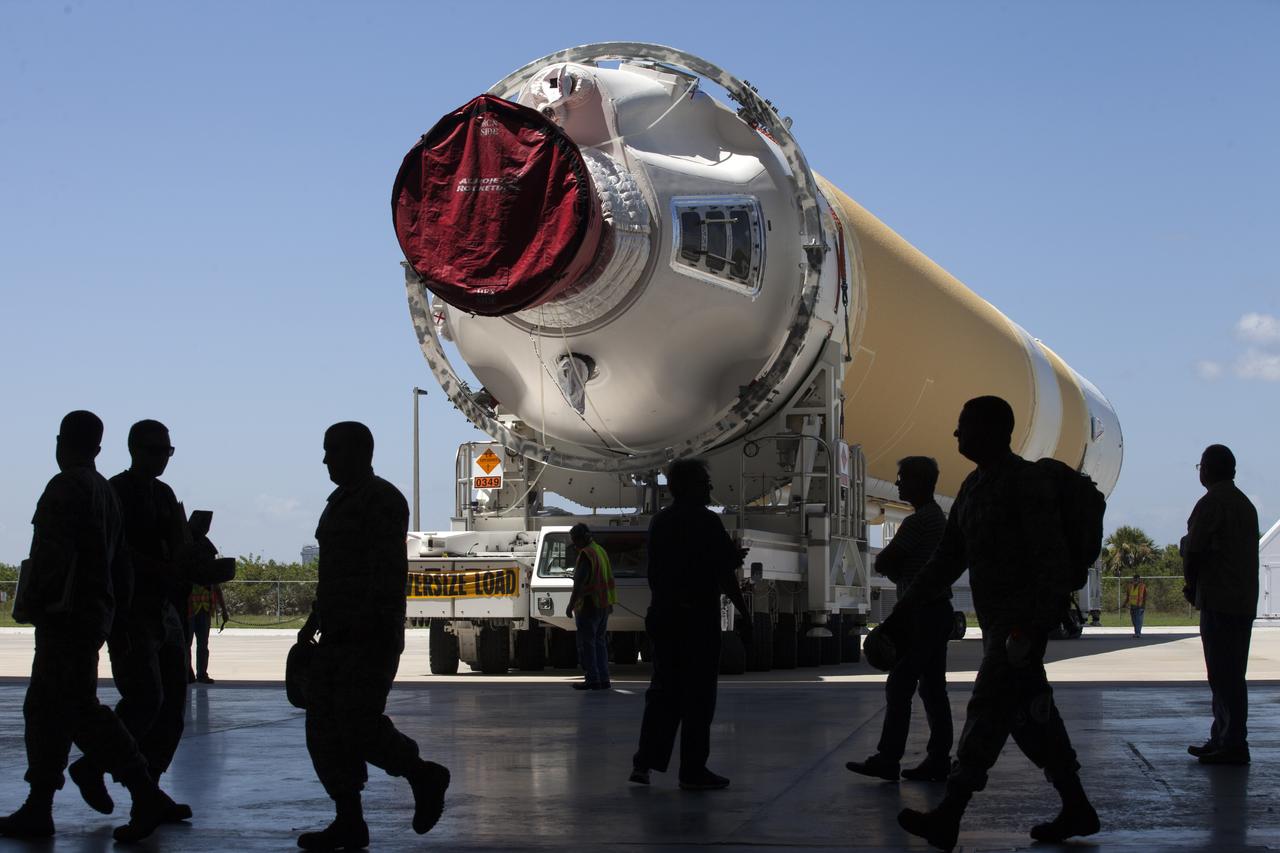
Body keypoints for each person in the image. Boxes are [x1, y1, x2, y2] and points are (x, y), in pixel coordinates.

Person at [893, 396, 1099, 850]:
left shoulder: (1026, 485)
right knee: (1032, 719)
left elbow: (1051, 562)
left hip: (1017, 632)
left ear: (992, 430)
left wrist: (1030, 628)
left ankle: (949, 814)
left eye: (964, 425)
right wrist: (903, 611)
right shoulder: (972, 488)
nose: (956, 434)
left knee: (986, 711)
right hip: (999, 629)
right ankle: (1077, 807)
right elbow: (947, 558)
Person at [0, 411, 173, 842]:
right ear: (97, 447)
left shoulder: (66, 487)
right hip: (94, 615)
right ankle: (39, 805)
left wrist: (34, 605)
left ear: (61, 442)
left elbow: (50, 560)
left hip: (64, 618)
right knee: (48, 709)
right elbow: (122, 567)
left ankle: (142, 791)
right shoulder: (105, 492)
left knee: (75, 709)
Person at [295, 422, 450, 850]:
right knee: (324, 728)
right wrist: (315, 620)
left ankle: (423, 775)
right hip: (337, 633)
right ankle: (349, 819)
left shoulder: (380, 500)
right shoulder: (338, 503)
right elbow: (334, 575)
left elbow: (383, 573)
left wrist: (367, 624)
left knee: (358, 723)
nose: (326, 460)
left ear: (359, 452)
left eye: (333, 451)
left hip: (368, 635)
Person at [69, 420, 200, 823]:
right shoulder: (116, 492)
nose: (161, 458)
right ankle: (98, 765)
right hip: (132, 611)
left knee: (173, 705)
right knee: (146, 700)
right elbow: (114, 551)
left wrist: (192, 559)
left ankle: (149, 785)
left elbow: (179, 547)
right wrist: (160, 568)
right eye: (154, 450)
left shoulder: (163, 494)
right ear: (132, 449)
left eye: (167, 451)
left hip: (164, 611)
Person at [631, 457, 752, 790]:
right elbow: (722, 573)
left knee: (663, 692)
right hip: (697, 620)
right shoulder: (706, 521)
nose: (709, 488)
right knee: (698, 697)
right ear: (687, 487)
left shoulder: (660, 522)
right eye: (704, 483)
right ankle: (692, 770)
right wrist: (744, 611)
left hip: (665, 616)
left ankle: (645, 763)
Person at [847, 456, 953, 783]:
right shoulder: (938, 520)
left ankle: (889, 758)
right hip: (937, 610)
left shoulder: (919, 522)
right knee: (933, 688)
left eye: (902, 478)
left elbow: (885, 562)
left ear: (919, 483)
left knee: (900, 684)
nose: (897, 484)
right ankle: (937, 759)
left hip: (921, 611)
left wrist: (899, 575)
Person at [1183, 443, 1259, 766]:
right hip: (1242, 601)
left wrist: (1191, 585)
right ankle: (1224, 736)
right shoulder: (1245, 505)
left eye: (1200, 465)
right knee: (1232, 673)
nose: (1199, 471)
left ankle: (1232, 743)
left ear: (1208, 469)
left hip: (1218, 600)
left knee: (1222, 674)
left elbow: (1194, 550)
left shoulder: (1211, 503)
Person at [565, 523, 616, 691]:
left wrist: (570, 606)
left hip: (589, 605)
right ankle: (604, 679)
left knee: (587, 644)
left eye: (575, 540)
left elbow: (579, 584)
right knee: (600, 643)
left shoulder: (587, 554)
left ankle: (592, 679)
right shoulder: (600, 551)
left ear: (581, 538)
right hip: (603, 604)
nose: (575, 544)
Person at [186, 582, 229, 683]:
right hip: (189, 610)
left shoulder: (210, 572)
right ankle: (188, 673)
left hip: (204, 610)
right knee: (187, 644)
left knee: (203, 644)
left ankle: (202, 674)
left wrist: (224, 610)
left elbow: (217, 588)